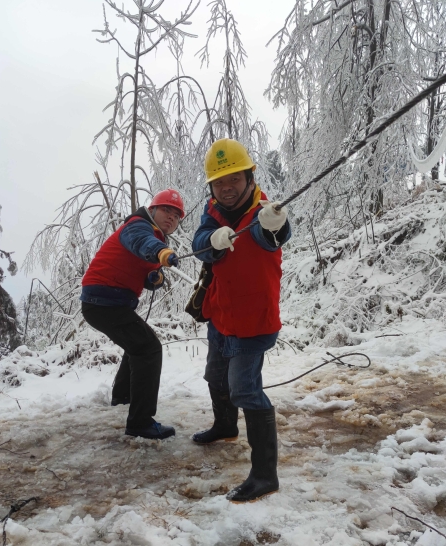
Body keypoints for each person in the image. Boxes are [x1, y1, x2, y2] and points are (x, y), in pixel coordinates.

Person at [191, 138, 292, 502]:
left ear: (250, 177)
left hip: (253, 322)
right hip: (221, 315)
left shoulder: (265, 212)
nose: (227, 187)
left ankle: (265, 475)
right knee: (215, 376)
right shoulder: (213, 212)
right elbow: (199, 243)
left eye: (234, 178)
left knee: (244, 389)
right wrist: (210, 239)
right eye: (219, 182)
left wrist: (275, 226)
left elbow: (274, 236)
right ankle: (225, 426)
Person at [80, 189, 185, 440]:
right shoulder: (137, 226)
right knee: (149, 348)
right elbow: (141, 242)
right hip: (104, 300)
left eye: (176, 215)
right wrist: (160, 252)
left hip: (107, 301)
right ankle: (140, 422)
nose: (171, 217)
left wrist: (153, 278)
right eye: (166, 210)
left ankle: (123, 398)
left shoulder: (154, 237)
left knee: (137, 346)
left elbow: (143, 269)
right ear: (152, 210)